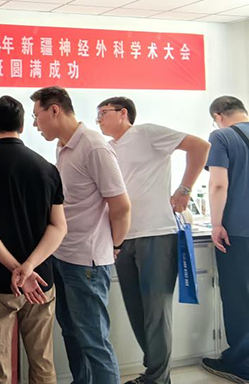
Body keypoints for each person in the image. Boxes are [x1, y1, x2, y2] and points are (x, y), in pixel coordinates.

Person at [95, 96, 210, 384]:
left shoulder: (147, 133)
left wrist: (184, 189)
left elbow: (200, 146)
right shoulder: (107, 149)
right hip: (123, 239)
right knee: (136, 311)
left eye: (103, 113)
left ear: (123, 113)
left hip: (157, 234)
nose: (99, 119)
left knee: (156, 312)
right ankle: (156, 374)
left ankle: (157, 378)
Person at [30, 86, 131, 384]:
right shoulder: (63, 146)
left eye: (37, 116)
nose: (35, 124)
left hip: (87, 262)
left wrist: (115, 245)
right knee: (72, 334)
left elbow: (121, 206)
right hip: (63, 256)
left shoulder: (94, 146)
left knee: (94, 341)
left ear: (54, 110)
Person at [0, 95, 67, 384]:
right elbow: (59, 227)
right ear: (22, 127)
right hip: (40, 282)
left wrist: (17, 269)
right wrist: (29, 268)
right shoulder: (47, 168)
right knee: (42, 362)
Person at [201, 96, 249, 382]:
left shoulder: (222, 136)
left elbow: (219, 183)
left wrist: (217, 224)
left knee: (238, 298)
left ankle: (242, 364)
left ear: (218, 116)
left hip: (238, 233)